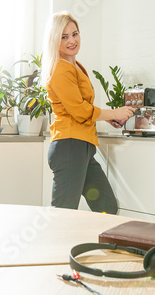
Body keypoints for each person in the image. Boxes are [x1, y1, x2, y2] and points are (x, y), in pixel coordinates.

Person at [42, 12, 135, 212]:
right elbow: (79, 110)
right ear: (54, 40)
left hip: (82, 147)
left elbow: (80, 106)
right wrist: (113, 113)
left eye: (74, 34)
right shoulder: (60, 68)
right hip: (69, 146)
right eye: (64, 37)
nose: (72, 41)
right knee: (63, 213)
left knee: (106, 207)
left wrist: (106, 118)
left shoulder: (74, 66)